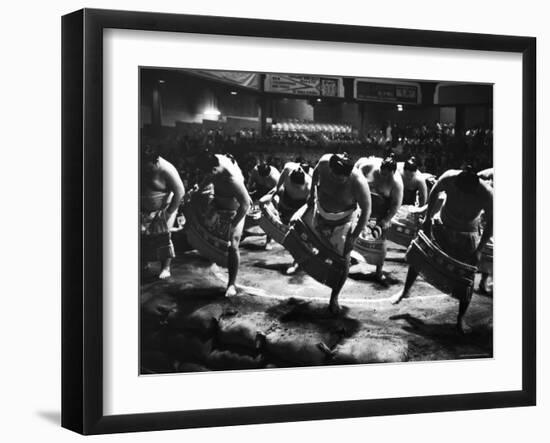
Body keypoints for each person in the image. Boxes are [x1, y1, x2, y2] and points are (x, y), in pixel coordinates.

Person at [390, 166, 493, 334]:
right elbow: (435, 192)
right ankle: (405, 290)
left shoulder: (487, 194)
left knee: (467, 276)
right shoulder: (449, 177)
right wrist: (428, 218)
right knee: (419, 253)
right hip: (442, 224)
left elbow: (491, 223)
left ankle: (460, 317)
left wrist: (480, 249)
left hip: (467, 234)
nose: (463, 195)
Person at [302, 153, 371, 314]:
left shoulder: (359, 183)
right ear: (331, 168)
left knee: (344, 256)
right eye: (335, 175)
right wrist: (312, 193)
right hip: (320, 212)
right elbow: (316, 174)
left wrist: (353, 237)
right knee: (311, 237)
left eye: (343, 177)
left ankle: (335, 297)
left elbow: (367, 211)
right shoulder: (324, 163)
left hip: (343, 221)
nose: (339, 179)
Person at [195, 152, 251, 297]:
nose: (208, 175)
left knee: (233, 245)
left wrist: (233, 224)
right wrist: (198, 189)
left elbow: (246, 205)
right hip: (218, 204)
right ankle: (213, 255)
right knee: (196, 207)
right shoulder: (212, 168)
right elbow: (207, 178)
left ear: (215, 169)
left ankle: (231, 284)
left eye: (210, 173)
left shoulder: (232, 179)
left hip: (236, 210)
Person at [354, 155, 404, 281]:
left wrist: (386, 220)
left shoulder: (397, 184)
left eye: (387, 174)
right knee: (353, 231)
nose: (383, 176)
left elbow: (395, 205)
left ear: (393, 172)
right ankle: (351, 259)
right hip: (364, 205)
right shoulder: (369, 166)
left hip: (381, 211)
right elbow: (355, 174)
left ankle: (378, 270)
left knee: (380, 240)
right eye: (382, 172)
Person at [140, 144, 185, 279]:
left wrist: (170, 212)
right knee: (141, 237)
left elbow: (180, 192)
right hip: (142, 209)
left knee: (164, 236)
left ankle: (166, 267)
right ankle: (143, 262)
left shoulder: (167, 169)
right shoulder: (139, 164)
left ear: (155, 161)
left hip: (164, 207)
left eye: (148, 165)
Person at [273, 162, 312, 274]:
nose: (294, 187)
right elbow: (279, 185)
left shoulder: (310, 186)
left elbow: (310, 206)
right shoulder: (288, 169)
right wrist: (276, 190)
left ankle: (296, 262)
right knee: (284, 228)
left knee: (298, 234)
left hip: (300, 206)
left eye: (296, 185)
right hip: (285, 201)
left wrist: (299, 217)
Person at [247, 162, 281, 249]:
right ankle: (243, 232)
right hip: (259, 190)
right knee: (245, 205)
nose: (263, 178)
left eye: (265, 177)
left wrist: (267, 200)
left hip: (272, 194)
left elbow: (277, 190)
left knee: (270, 215)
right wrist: (247, 193)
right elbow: (250, 183)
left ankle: (269, 240)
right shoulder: (255, 170)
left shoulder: (276, 176)